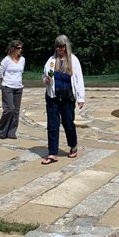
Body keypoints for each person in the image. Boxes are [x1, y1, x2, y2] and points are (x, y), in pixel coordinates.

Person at [41, 35, 85, 164]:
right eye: (57, 46)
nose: (59, 49)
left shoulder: (73, 60)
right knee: (52, 125)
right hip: (53, 97)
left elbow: (79, 79)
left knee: (68, 124)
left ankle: (73, 145)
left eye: (62, 46)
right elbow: (45, 75)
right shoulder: (51, 60)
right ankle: (52, 153)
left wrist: (80, 97)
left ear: (66, 47)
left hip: (67, 98)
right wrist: (46, 79)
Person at [0, 40, 25, 139]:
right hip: (7, 86)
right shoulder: (6, 60)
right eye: (18, 48)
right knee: (9, 109)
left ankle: (11, 132)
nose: (20, 50)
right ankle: (2, 130)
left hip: (18, 87)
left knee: (16, 111)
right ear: (12, 48)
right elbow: (0, 72)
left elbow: (21, 72)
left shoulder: (22, 60)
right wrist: (3, 82)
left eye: (21, 48)